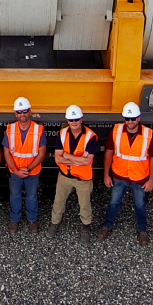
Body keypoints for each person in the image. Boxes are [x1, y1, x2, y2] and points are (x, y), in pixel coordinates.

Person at [98, 102, 153, 245]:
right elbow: (108, 152)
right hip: (119, 175)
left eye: (133, 119)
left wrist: (151, 180)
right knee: (114, 202)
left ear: (138, 118)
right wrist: (106, 174)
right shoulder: (116, 130)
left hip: (139, 177)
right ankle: (107, 226)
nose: (130, 122)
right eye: (127, 119)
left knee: (139, 204)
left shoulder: (148, 134)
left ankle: (142, 230)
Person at [50, 104, 98, 244]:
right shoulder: (62, 133)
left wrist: (67, 155)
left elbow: (87, 162)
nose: (74, 123)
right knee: (58, 202)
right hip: (64, 177)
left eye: (76, 119)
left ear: (81, 119)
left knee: (85, 205)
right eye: (71, 120)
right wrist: (77, 159)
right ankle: (54, 223)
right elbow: (57, 158)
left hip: (83, 179)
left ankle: (86, 227)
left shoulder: (90, 136)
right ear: (67, 120)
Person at [3, 96, 47, 234]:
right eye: (19, 112)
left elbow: (42, 153)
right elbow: (6, 153)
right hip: (15, 172)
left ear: (30, 112)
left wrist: (28, 169)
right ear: (16, 114)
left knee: (32, 196)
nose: (22, 115)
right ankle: (14, 220)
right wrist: (16, 171)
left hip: (31, 172)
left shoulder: (38, 129)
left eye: (25, 111)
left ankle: (32, 220)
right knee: (14, 195)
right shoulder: (10, 129)